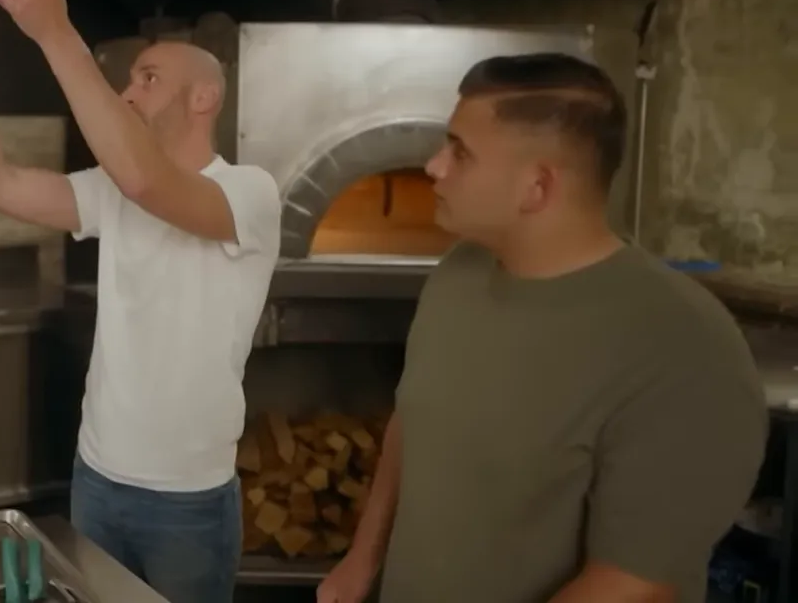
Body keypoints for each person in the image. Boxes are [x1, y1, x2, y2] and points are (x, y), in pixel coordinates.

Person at [317, 53, 768, 603]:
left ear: (537, 186)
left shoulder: (685, 349)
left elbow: (631, 585)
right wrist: (362, 561)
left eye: (460, 152)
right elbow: (413, 423)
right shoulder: (459, 275)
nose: (434, 166)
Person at [0, 0, 281, 602]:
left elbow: (148, 179)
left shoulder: (250, 194)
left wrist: (56, 33)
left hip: (189, 501)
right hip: (96, 478)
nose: (128, 91)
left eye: (147, 77)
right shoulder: (109, 194)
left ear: (205, 97)